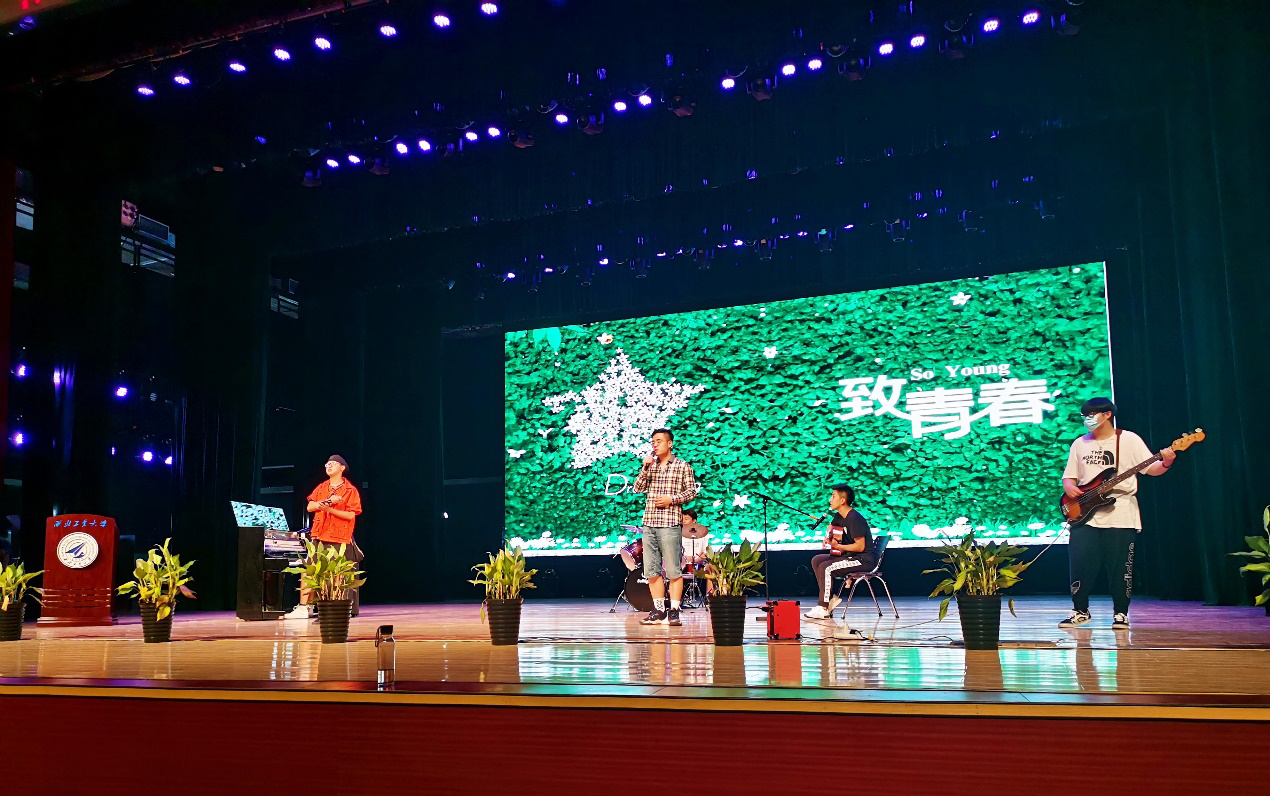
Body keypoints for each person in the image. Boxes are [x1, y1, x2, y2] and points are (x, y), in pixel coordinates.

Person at [1059, 397, 1175, 629]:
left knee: (1120, 567)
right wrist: (1070, 487)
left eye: (1092, 414)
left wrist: (1166, 462)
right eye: (1085, 416)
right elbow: (1069, 477)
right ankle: (1080, 610)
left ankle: (1120, 613)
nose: (1088, 419)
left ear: (1107, 414)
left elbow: (1150, 469)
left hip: (1121, 513)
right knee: (1080, 563)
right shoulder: (1080, 444)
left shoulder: (1128, 439)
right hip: (1085, 514)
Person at [282, 454, 364, 620]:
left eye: (333, 463)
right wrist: (328, 502)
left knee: (336, 573)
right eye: (327, 463)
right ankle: (304, 607)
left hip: (339, 537)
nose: (328, 466)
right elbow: (311, 506)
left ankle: (336, 607)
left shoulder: (350, 490)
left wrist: (329, 510)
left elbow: (350, 515)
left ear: (342, 468)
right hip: (319, 534)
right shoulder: (322, 487)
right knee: (309, 569)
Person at [632, 428, 699, 626]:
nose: (655, 444)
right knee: (651, 571)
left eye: (659, 441)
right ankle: (659, 610)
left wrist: (672, 499)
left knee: (673, 570)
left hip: (670, 523)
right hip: (649, 523)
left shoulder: (682, 466)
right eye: (653, 441)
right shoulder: (650, 466)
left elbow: (691, 492)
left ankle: (674, 610)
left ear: (670, 443)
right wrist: (645, 468)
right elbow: (637, 488)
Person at [804, 483, 873, 641]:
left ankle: (823, 607)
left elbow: (860, 546)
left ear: (842, 500)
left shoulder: (854, 518)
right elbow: (832, 528)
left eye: (833, 496)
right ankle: (830, 599)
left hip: (862, 560)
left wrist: (838, 546)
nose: (830, 499)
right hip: (848, 556)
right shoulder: (839, 516)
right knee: (817, 560)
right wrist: (827, 537)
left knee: (826, 567)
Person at [680, 508, 713, 597]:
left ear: (694, 520)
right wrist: (685, 558)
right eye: (682, 519)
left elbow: (706, 552)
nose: (683, 521)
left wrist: (697, 559)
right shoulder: (678, 533)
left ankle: (709, 596)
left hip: (698, 562)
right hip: (682, 562)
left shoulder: (703, 534)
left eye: (686, 519)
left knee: (710, 567)